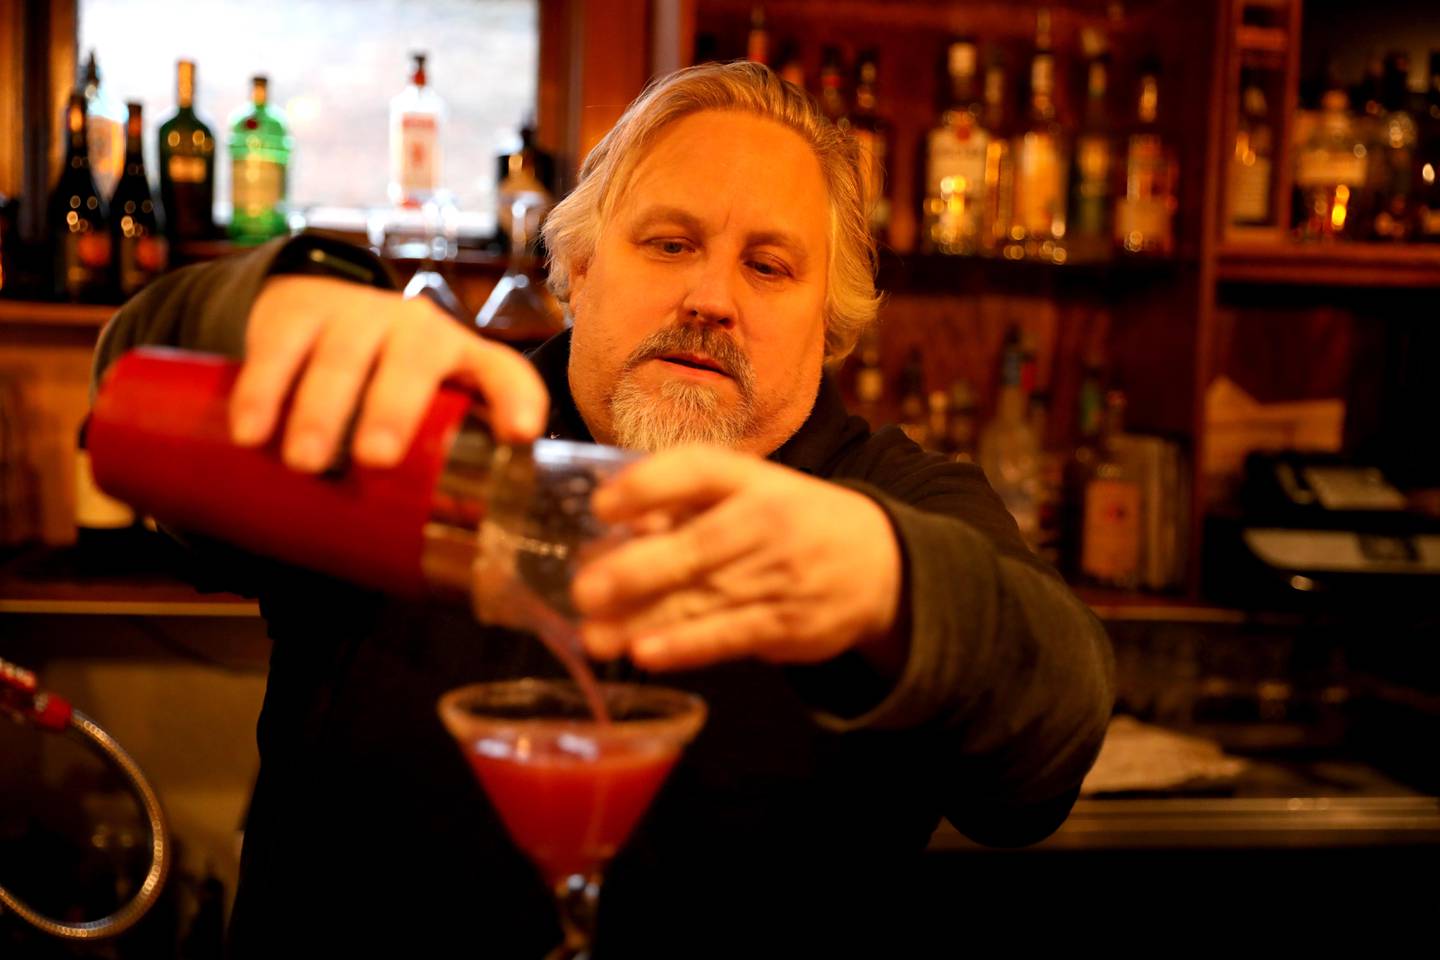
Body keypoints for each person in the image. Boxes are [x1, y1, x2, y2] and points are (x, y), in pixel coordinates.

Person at [93, 61, 1113, 956]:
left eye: (769, 265)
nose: (712, 297)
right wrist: (255, 312)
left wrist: (890, 584)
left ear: (832, 329)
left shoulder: (897, 503)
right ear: (575, 268)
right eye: (669, 243)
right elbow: (125, 406)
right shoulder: (421, 431)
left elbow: (1050, 736)